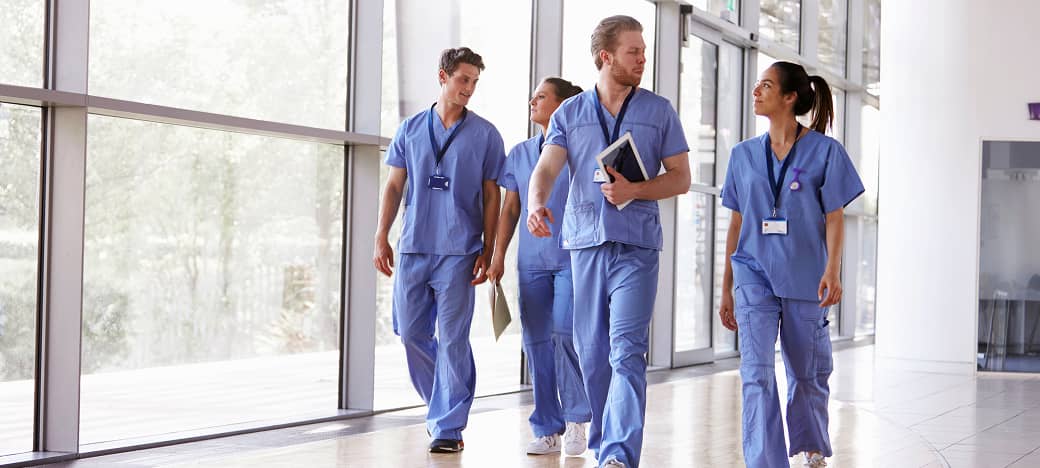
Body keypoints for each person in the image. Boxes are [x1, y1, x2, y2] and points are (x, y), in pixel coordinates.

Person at [526, 16, 690, 468]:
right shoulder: (570, 113)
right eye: (634, 51)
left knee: (626, 349)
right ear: (606, 56)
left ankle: (618, 454)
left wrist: (635, 190)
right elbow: (546, 168)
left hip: (636, 247)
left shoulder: (659, 111)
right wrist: (536, 203)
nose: (643, 58)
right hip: (585, 244)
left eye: (643, 50)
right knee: (593, 353)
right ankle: (605, 436)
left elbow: (681, 178)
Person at [717, 61, 864, 468]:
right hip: (753, 274)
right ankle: (765, 461)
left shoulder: (825, 151)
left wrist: (832, 270)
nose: (755, 91)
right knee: (756, 373)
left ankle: (811, 447)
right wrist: (726, 285)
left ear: (789, 97)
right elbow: (736, 222)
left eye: (765, 85)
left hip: (806, 276)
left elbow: (834, 217)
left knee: (806, 374)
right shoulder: (743, 155)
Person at [373, 47, 505, 454]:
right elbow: (395, 185)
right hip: (414, 247)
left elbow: (491, 195)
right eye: (463, 79)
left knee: (452, 339)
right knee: (411, 333)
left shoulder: (485, 134)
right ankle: (440, 406)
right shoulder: (410, 129)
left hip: (460, 251)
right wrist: (382, 234)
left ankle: (448, 425)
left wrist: (488, 246)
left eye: (475, 82)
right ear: (442, 77)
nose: (469, 88)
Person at [486, 77, 591, 457]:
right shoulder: (520, 152)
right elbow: (511, 207)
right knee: (536, 344)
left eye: (542, 96)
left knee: (564, 333)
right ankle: (548, 427)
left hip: (571, 258)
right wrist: (497, 256)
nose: (533, 100)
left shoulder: (580, 151)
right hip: (531, 263)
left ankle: (578, 417)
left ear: (563, 106)